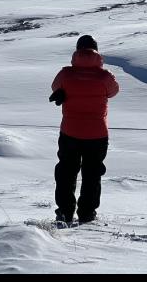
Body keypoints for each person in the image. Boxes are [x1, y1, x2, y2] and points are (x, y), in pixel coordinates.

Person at [48, 34, 119, 224]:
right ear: (97, 51)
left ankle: (64, 213)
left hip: (70, 132)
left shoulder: (65, 74)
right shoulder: (105, 76)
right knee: (92, 175)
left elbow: (55, 87)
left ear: (77, 51)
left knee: (66, 172)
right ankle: (87, 214)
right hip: (97, 135)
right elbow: (113, 92)